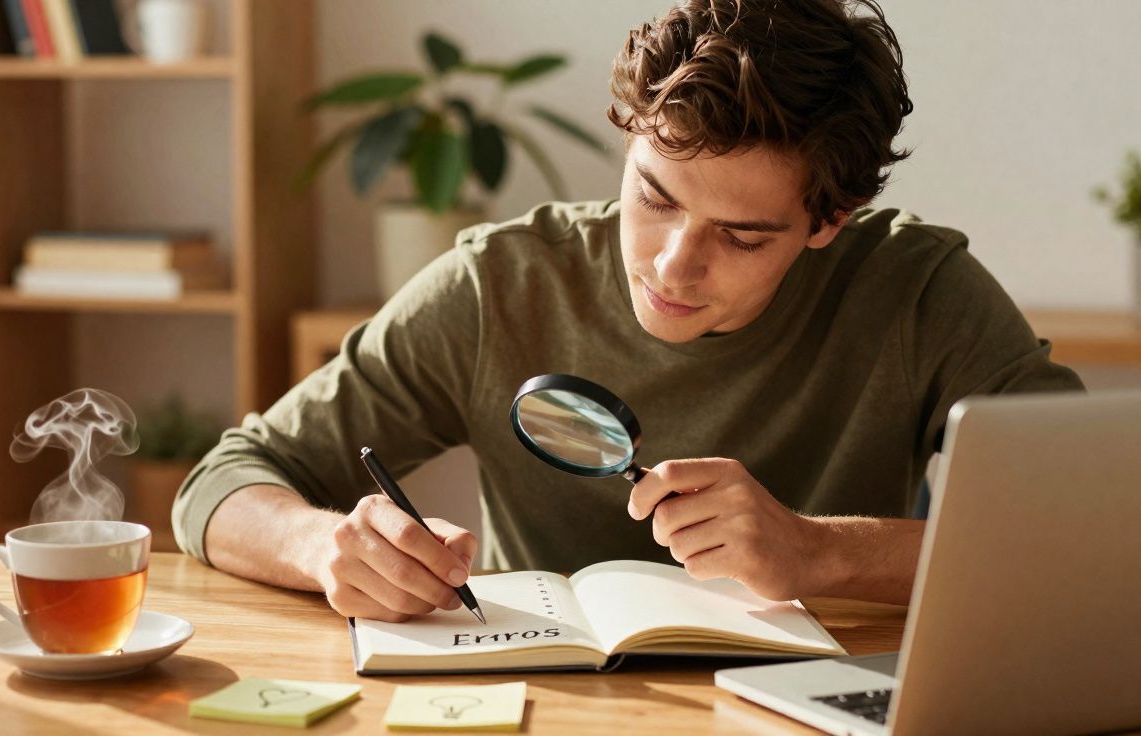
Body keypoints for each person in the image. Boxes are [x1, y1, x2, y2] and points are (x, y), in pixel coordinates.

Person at [172, 0, 1082, 623]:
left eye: (743, 236)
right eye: (653, 197)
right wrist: (326, 547)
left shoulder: (918, 292)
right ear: (630, 138)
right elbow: (222, 481)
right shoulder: (502, 284)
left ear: (827, 221)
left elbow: (1087, 527)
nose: (673, 265)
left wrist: (818, 552)